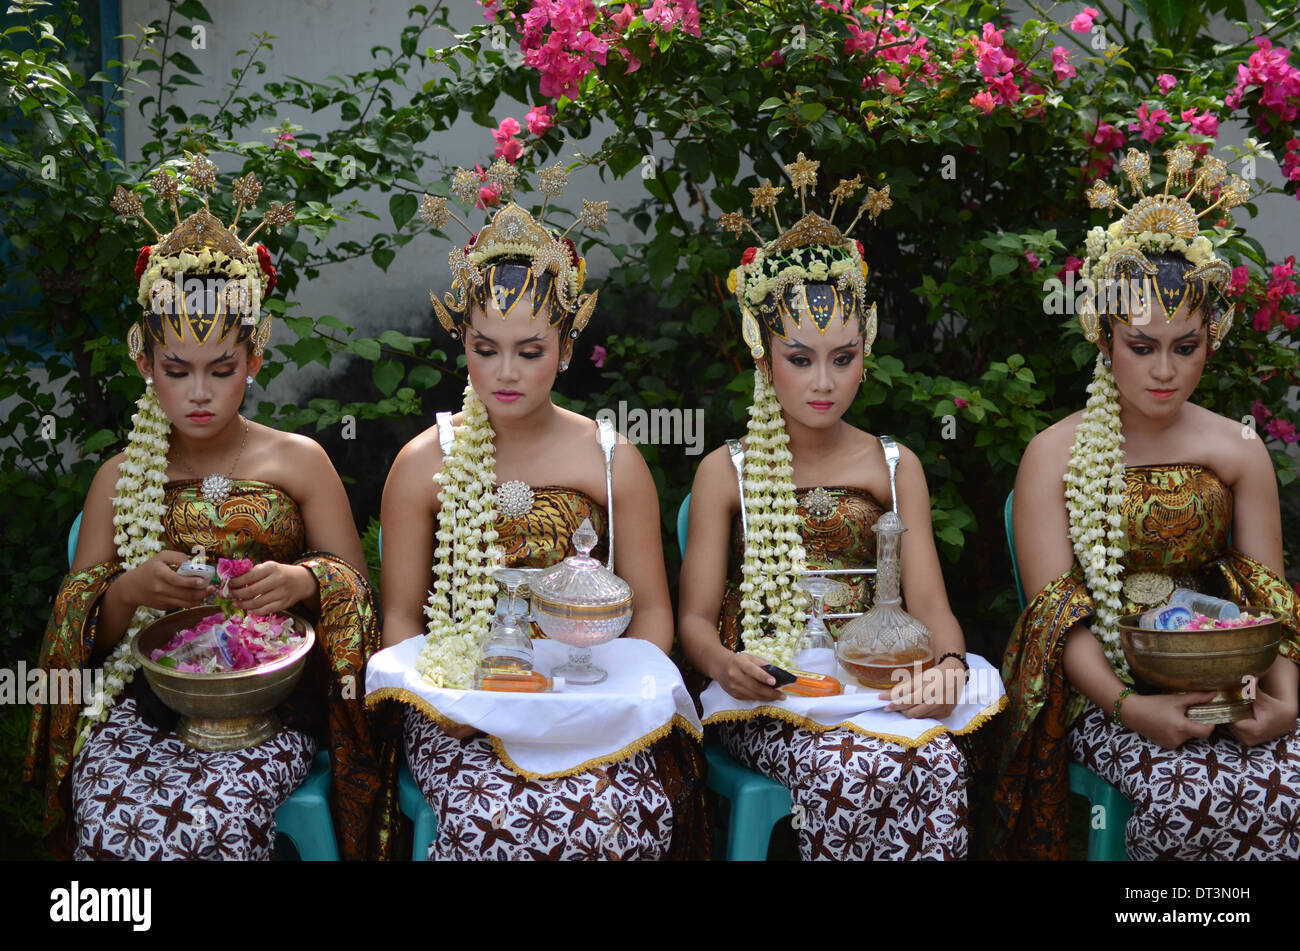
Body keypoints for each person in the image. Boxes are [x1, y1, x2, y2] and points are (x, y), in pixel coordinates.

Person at [24, 158, 397, 860]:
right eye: (178, 370)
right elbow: (82, 628)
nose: (200, 392)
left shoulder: (298, 461)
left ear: (255, 357)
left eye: (222, 370)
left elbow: (357, 589)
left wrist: (305, 581)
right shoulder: (119, 475)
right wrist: (129, 589)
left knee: (213, 820)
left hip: (273, 702)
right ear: (144, 361)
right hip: (146, 703)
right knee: (113, 812)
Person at [376, 162, 706, 860]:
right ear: (461, 341)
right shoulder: (421, 463)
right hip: (466, 703)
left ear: (565, 349)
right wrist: (445, 702)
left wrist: (614, 691)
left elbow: (650, 611)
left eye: (529, 351)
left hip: (588, 694)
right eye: (484, 349)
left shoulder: (612, 460)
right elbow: (402, 615)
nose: (505, 373)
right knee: (495, 817)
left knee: (617, 810)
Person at [994, 145, 1300, 860]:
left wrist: (1286, 700)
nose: (1164, 370)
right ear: (1103, 337)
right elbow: (1055, 618)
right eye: (1141, 345)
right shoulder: (1053, 454)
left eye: (1185, 346)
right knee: (1184, 791)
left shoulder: (1238, 448)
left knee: (1289, 779)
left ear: (1211, 340)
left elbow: (1268, 596)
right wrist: (1134, 708)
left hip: (1235, 677)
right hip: (1107, 687)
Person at [678, 156, 988, 860]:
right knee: (845, 770)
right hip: (776, 696)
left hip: (881, 682)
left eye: (842, 358)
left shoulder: (893, 464)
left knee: (937, 762)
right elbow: (693, 620)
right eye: (800, 358)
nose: (823, 382)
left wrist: (948, 667)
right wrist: (724, 664)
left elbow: (931, 603)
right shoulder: (725, 470)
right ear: (762, 351)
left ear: (866, 347)